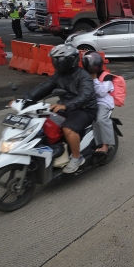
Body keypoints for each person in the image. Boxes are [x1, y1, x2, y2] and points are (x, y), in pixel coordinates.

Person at [25, 44, 97, 173]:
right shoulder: (59, 75)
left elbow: (85, 95)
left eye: (59, 60)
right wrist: (26, 99)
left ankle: (77, 157)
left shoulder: (83, 76)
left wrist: (65, 105)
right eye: (55, 59)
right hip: (66, 107)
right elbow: (44, 87)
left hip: (84, 109)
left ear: (69, 60)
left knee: (67, 128)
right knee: (42, 123)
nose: (56, 63)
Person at [82, 51, 115, 154]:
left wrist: (94, 78)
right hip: (88, 101)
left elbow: (102, 93)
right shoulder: (83, 75)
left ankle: (105, 145)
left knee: (100, 120)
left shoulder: (106, 76)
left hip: (103, 102)